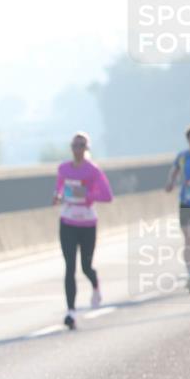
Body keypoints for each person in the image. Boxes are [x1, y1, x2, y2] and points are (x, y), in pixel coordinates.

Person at [51, 132, 113, 329]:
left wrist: (88, 196)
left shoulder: (93, 170)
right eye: (75, 145)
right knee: (69, 267)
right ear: (71, 148)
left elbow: (107, 195)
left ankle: (95, 286)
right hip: (68, 222)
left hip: (87, 223)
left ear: (87, 149)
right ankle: (71, 311)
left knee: (86, 266)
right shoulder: (63, 169)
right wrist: (58, 196)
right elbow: (59, 189)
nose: (78, 149)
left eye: (81, 145)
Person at [165, 123, 190, 294]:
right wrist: (170, 183)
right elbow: (174, 171)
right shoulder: (183, 157)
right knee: (189, 239)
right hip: (186, 203)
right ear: (188, 140)